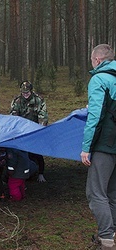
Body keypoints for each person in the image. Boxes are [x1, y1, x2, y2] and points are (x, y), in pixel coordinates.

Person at [81, 44, 116, 250]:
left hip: (105, 144)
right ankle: (112, 233)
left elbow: (95, 116)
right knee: (112, 193)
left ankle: (106, 239)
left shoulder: (99, 79)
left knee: (95, 192)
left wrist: (86, 147)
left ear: (97, 60)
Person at [10, 81, 48, 182]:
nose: (25, 95)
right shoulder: (17, 101)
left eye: (27, 93)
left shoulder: (38, 100)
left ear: (31, 91)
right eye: (23, 93)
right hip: (21, 131)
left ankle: (41, 173)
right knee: (22, 153)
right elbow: (13, 117)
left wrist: (40, 130)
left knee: (37, 152)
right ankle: (24, 173)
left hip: (35, 129)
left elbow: (43, 116)